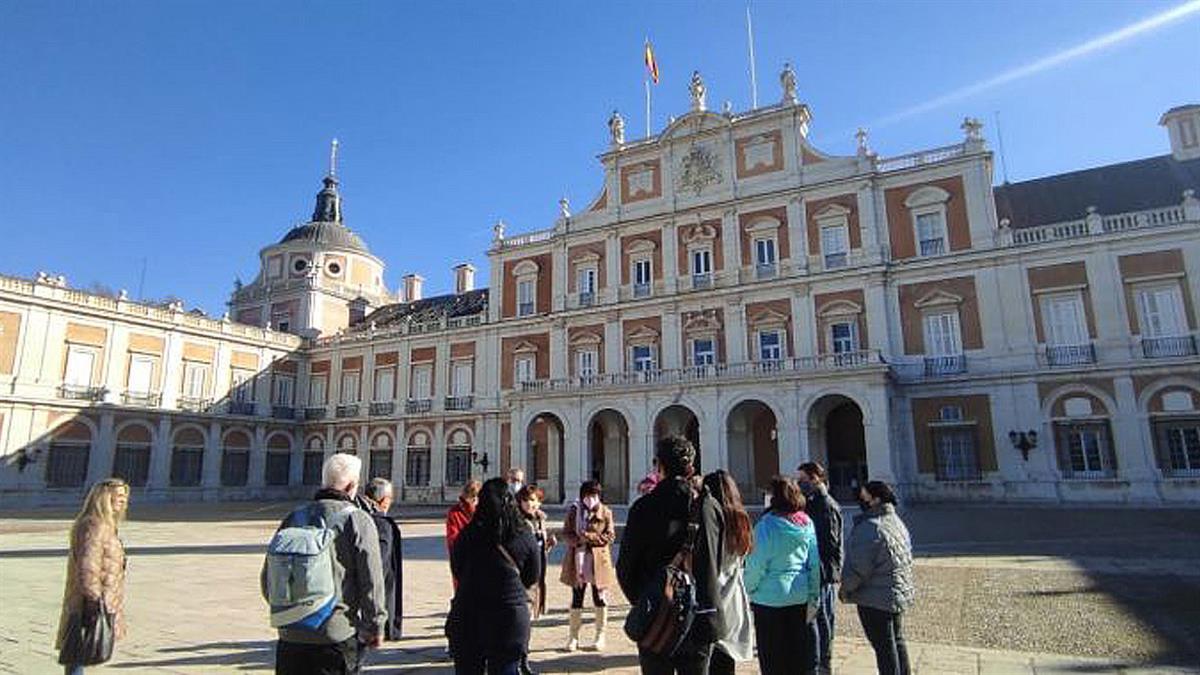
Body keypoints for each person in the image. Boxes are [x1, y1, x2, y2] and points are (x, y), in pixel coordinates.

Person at [263, 453, 387, 675]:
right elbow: (372, 580)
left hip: (290, 636)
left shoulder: (293, 517)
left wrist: (292, 611)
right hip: (335, 634)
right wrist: (375, 625)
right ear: (351, 486)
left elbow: (267, 580)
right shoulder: (358, 520)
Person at [617, 435, 725, 675]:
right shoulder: (710, 506)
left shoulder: (643, 507)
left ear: (659, 466)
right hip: (701, 615)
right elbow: (718, 560)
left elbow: (625, 568)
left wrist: (647, 598)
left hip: (657, 615)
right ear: (692, 467)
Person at [446, 478, 542, 674]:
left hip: (469, 613)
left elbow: (457, 569)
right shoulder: (524, 534)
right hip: (509, 616)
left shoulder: (468, 534)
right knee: (506, 668)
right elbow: (532, 576)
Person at [743, 476, 821, 675]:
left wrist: (748, 588)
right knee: (797, 655)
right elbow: (813, 563)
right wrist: (813, 594)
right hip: (800, 595)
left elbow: (756, 564)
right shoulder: (806, 523)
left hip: (769, 598)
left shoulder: (766, 526)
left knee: (772, 658)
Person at [57, 478, 130, 675]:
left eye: (125, 496)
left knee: (82, 650)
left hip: (101, 598)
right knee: (79, 648)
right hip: (90, 602)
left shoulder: (104, 525)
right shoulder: (93, 526)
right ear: (104, 498)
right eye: (119, 496)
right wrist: (94, 599)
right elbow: (87, 567)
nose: (123, 500)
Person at [840, 481, 914, 675]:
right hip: (895, 591)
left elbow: (859, 568)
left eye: (864, 495)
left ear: (875, 499)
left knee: (884, 647)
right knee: (897, 641)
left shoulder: (871, 527)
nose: (860, 499)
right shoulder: (895, 521)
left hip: (875, 596)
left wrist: (846, 588)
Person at [702, 470, 755, 675]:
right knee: (725, 663)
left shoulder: (709, 521)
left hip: (711, 595)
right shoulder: (741, 520)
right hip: (733, 598)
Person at [560, 480, 616, 652]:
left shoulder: (605, 512)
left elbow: (610, 535)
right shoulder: (574, 511)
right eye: (588, 495)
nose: (591, 499)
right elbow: (566, 533)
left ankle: (600, 635)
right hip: (579, 559)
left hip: (599, 559)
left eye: (594, 495)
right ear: (582, 496)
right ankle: (573, 636)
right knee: (577, 597)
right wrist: (577, 541)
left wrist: (590, 538)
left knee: (599, 598)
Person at [799, 462, 843, 675]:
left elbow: (830, 543)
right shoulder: (814, 502)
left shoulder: (825, 505)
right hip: (818, 569)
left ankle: (824, 662)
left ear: (815, 478)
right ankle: (818, 659)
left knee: (823, 618)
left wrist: (825, 570)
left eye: (804, 479)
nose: (801, 483)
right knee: (818, 617)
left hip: (823, 571)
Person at [516, 484, 556, 675]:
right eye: (526, 500)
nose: (529, 504)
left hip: (537, 578)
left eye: (533, 500)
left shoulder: (540, 521)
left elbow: (537, 551)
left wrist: (547, 546)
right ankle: (517, 660)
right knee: (520, 623)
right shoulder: (516, 522)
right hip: (520, 580)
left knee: (527, 623)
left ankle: (523, 658)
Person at [361, 478, 403, 642]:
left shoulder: (359, 517)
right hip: (381, 588)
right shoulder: (383, 523)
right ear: (383, 500)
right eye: (390, 498)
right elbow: (383, 560)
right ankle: (387, 628)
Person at [446, 479, 481, 588]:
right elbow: (452, 539)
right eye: (472, 496)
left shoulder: (484, 511)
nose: (474, 499)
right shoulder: (454, 513)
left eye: (477, 496)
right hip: (462, 562)